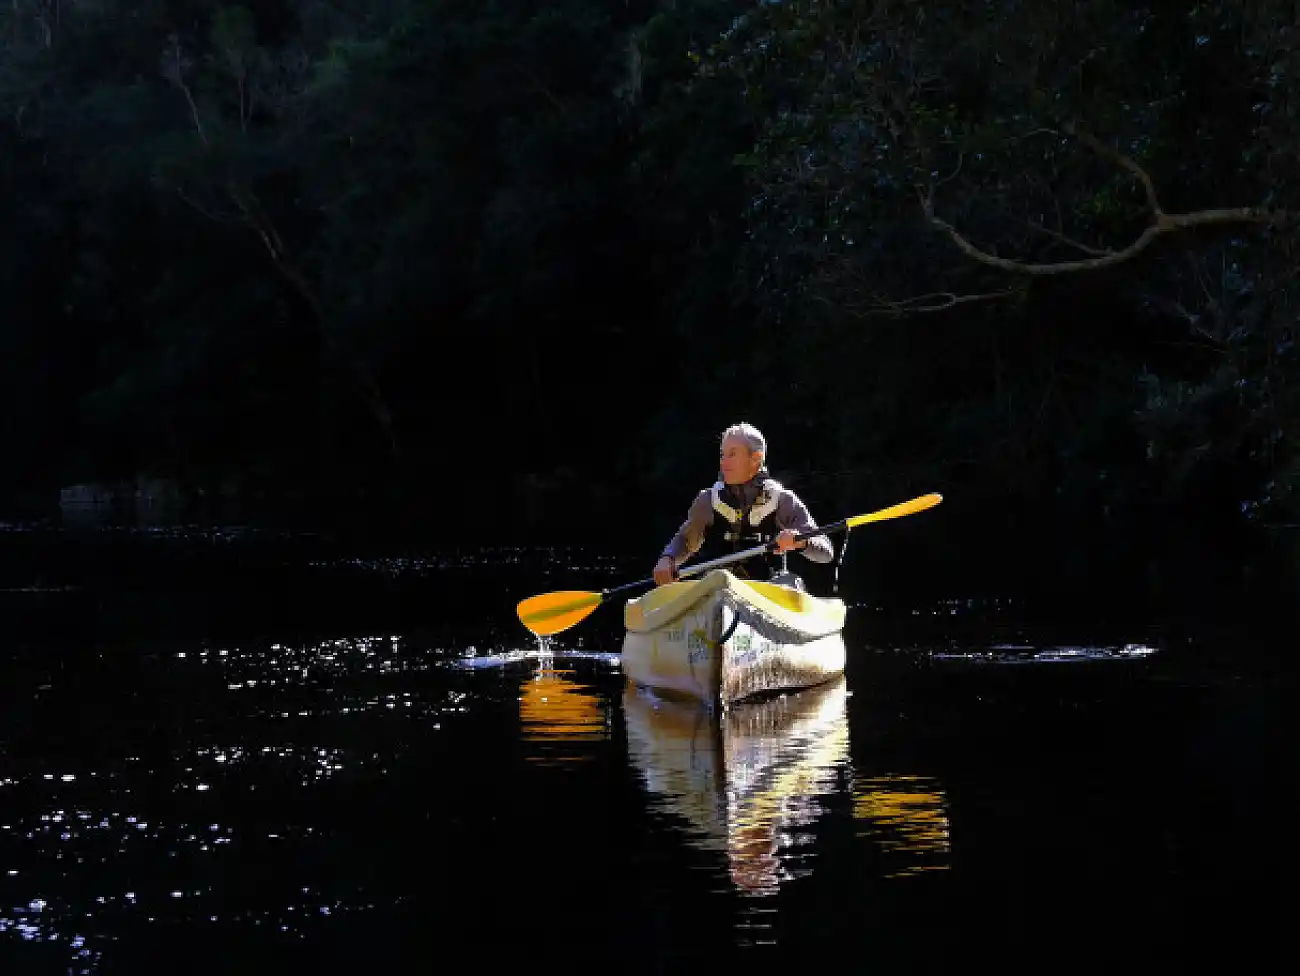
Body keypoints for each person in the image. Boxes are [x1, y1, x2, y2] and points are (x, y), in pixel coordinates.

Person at [652, 422, 834, 587]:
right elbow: (685, 541)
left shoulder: (782, 500)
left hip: (769, 589)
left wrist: (801, 541)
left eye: (732, 454)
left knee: (790, 584)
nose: (723, 462)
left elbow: (825, 552)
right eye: (722, 455)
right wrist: (668, 558)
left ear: (755, 459)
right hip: (720, 590)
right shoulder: (707, 500)